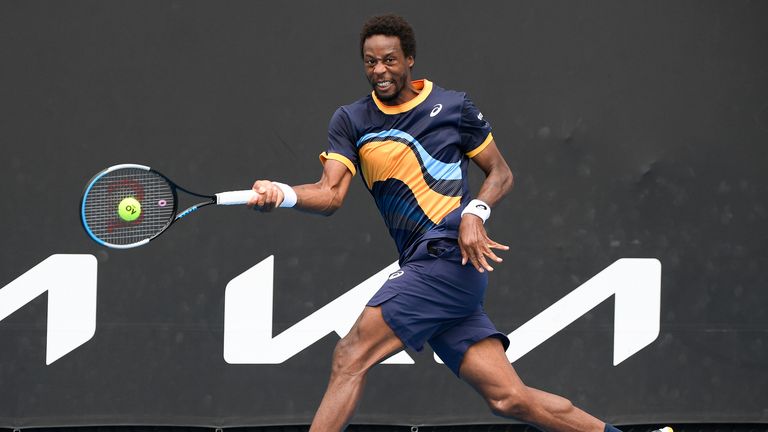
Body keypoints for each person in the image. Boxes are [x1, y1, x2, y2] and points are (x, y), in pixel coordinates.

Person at [248, 14, 670, 432]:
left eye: (390, 60)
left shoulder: (452, 107)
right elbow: (330, 194)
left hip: (446, 256)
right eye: (370, 62)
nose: (379, 71)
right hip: (433, 269)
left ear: (409, 59)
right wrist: (282, 194)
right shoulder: (351, 120)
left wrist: (474, 212)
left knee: (349, 355)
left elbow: (500, 174)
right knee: (510, 398)